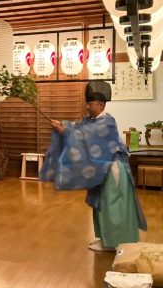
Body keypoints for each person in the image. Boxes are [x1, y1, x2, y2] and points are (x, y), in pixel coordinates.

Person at [41, 81, 147, 251]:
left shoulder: (108, 121)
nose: (87, 107)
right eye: (87, 103)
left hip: (112, 169)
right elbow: (78, 127)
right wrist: (62, 124)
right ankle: (105, 238)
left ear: (101, 105)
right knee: (100, 205)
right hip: (100, 169)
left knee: (111, 206)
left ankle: (113, 243)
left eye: (90, 104)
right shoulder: (90, 120)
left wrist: (64, 132)